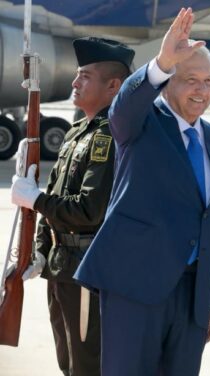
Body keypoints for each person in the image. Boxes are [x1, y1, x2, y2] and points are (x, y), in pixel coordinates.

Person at [74, 8, 210, 375]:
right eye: (191, 79)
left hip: (192, 297)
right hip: (135, 287)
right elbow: (124, 106)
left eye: (208, 81)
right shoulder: (140, 124)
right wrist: (162, 62)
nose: (201, 90)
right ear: (168, 82)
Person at [10, 37, 134, 375]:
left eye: (85, 76)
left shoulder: (109, 136)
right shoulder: (78, 131)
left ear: (113, 86)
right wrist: (37, 250)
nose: (75, 82)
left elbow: (87, 210)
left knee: (87, 365)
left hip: (87, 271)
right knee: (68, 363)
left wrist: (34, 199)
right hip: (61, 267)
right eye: (77, 74)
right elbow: (55, 195)